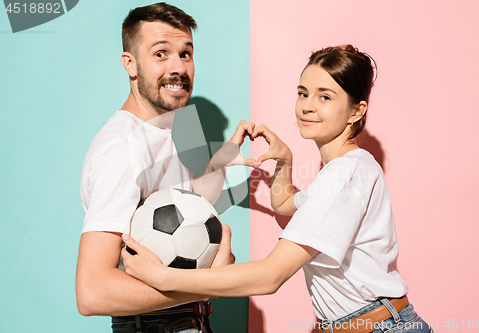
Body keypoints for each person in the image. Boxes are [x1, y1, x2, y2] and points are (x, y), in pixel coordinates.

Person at [121, 45, 434, 333]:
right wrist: (286, 161)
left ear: (356, 111)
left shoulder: (345, 174)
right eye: (303, 93)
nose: (307, 107)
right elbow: (285, 204)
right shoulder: (341, 172)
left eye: (325, 97)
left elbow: (272, 276)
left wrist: (164, 278)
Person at [76, 3, 256, 333]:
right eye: (161, 54)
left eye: (185, 54)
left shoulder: (166, 133)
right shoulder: (122, 149)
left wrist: (218, 163)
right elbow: (92, 291)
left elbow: (173, 213)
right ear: (130, 64)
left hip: (186, 320)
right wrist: (212, 282)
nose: (177, 68)